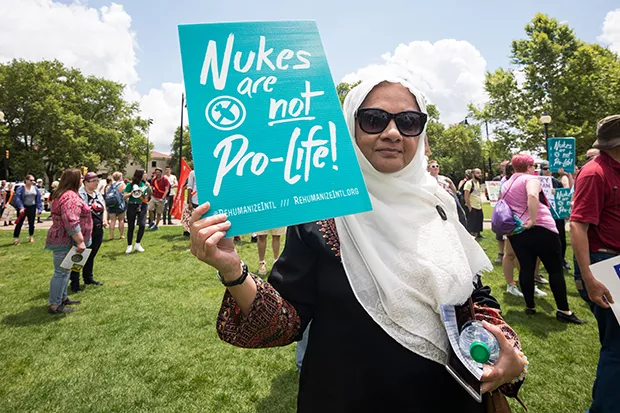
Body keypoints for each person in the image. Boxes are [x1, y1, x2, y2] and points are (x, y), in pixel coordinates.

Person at [189, 77, 527, 412]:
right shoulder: (321, 213)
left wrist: (506, 350)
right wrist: (233, 271)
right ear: (350, 128)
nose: (392, 132)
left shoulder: (441, 204)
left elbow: (474, 297)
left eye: (409, 122)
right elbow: (285, 322)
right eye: (374, 119)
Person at [570, 114, 620, 413]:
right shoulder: (595, 173)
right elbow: (577, 226)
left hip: (612, 261)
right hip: (604, 263)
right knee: (617, 346)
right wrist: (589, 278)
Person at [500, 153, 584, 323]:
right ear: (529, 167)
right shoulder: (531, 179)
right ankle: (563, 310)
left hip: (518, 231)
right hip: (542, 228)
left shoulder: (506, 184)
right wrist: (532, 219)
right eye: (534, 166)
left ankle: (530, 306)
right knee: (554, 269)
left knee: (526, 268)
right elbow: (532, 195)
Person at [45, 168, 92, 314]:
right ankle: (55, 304)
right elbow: (71, 220)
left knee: (66, 271)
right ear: (74, 180)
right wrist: (80, 241)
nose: (82, 180)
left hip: (64, 238)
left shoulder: (63, 194)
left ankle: (62, 297)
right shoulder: (70, 197)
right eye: (81, 178)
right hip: (65, 239)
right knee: (61, 272)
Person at [70, 172, 106, 293]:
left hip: (98, 228)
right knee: (80, 256)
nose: (96, 183)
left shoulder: (98, 194)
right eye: (93, 181)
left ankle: (88, 278)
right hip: (84, 230)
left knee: (91, 254)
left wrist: (104, 219)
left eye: (97, 181)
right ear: (85, 182)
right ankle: (75, 282)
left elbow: (104, 207)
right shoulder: (79, 195)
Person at [124, 169, 150, 254]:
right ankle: (129, 245)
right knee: (131, 226)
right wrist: (131, 193)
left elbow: (147, 195)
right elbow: (124, 196)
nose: (146, 175)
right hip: (132, 205)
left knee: (142, 225)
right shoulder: (130, 184)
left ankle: (138, 243)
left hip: (142, 205)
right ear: (140, 175)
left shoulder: (144, 184)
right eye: (144, 173)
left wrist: (149, 188)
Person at [13, 174, 43, 245]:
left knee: (31, 223)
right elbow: (18, 199)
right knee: (19, 223)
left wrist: (39, 209)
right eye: (31, 180)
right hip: (23, 208)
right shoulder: (20, 188)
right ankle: (16, 239)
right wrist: (21, 207)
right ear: (26, 180)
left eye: (33, 180)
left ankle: (31, 236)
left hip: (32, 207)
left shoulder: (35, 188)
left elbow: (38, 199)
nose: (33, 181)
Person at [106, 172, 126, 240]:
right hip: (120, 204)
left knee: (112, 221)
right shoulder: (123, 185)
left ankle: (111, 236)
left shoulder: (111, 185)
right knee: (121, 220)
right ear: (120, 177)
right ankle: (121, 235)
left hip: (111, 204)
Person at [464, 168, 484, 239]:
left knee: (477, 225)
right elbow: (466, 196)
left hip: (478, 206)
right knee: (472, 226)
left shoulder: (478, 183)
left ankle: (476, 238)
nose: (480, 175)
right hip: (472, 207)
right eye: (478, 173)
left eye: (480, 173)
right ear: (473, 174)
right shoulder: (469, 183)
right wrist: (469, 206)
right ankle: (471, 239)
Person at [183, 169, 199, 237]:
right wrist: (190, 202)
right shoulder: (192, 173)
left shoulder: (206, 172)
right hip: (194, 199)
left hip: (204, 200)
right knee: (193, 217)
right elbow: (189, 187)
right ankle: (190, 231)